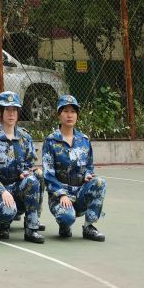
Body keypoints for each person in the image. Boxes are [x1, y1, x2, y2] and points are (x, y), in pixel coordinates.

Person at [42, 95, 106, 241]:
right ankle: (65, 224)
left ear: (77, 115)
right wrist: (61, 194)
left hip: (80, 193)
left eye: (73, 111)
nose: (70, 115)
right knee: (66, 218)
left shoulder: (84, 140)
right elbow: (48, 175)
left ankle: (89, 226)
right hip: (60, 196)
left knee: (99, 182)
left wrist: (88, 175)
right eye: (65, 111)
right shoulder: (51, 141)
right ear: (59, 115)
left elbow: (89, 166)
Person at [0, 91, 44, 243]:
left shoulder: (25, 138)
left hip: (19, 188)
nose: (11, 113)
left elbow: (30, 164)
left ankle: (31, 228)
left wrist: (25, 172)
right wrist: (2, 191)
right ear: (0, 112)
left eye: (14, 110)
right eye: (7, 109)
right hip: (0, 193)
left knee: (33, 180)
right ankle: (3, 224)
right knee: (7, 211)